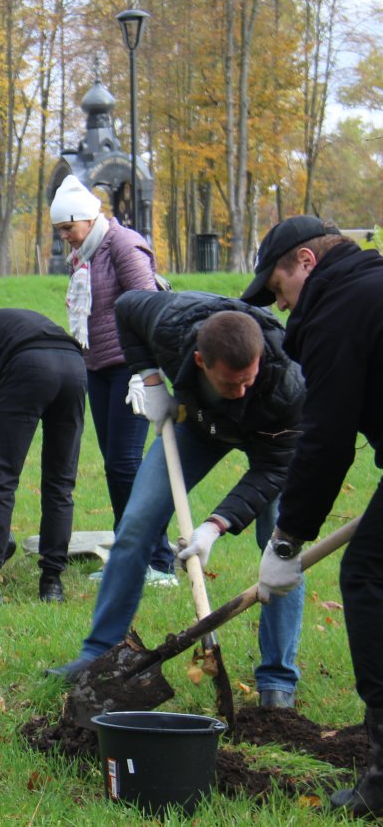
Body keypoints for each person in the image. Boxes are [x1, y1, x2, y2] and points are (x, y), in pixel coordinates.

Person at [48, 291, 307, 709]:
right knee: (136, 525)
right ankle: (99, 655)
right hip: (198, 427)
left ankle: (277, 681)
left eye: (248, 380)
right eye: (229, 382)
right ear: (201, 362)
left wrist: (214, 525)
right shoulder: (172, 324)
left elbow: (273, 471)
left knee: (279, 546)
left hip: (270, 440)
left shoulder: (287, 385)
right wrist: (149, 379)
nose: (241, 391)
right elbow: (126, 306)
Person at [241, 216, 383, 815]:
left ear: (306, 261)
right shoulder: (369, 289)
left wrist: (285, 541)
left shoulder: (337, 310)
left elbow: (325, 442)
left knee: (368, 575)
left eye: (278, 290)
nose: (281, 306)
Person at [52, 175, 177, 587]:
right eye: (60, 231)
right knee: (115, 467)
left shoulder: (122, 244)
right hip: (99, 370)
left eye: (68, 228)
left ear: (87, 219)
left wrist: (146, 373)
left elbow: (148, 305)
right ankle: (129, 558)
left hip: (131, 372)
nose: (65, 237)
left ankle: (159, 561)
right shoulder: (85, 255)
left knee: (127, 466)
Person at [0, 304, 87, 606]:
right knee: (61, 481)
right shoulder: (11, 325)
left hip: (29, 364)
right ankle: (52, 583)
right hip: (74, 366)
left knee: (2, 480)